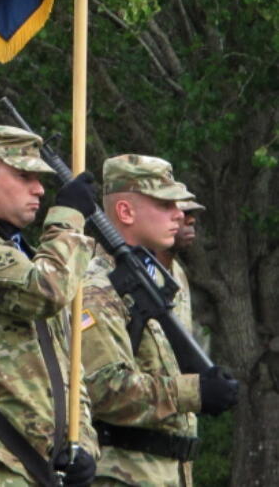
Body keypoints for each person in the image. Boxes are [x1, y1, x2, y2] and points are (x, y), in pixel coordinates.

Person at [81, 155, 238, 486]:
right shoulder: (97, 285)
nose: (179, 213)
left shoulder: (164, 277)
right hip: (121, 474)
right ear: (125, 212)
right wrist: (195, 392)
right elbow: (102, 390)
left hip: (170, 472)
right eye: (165, 203)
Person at [0, 125, 98, 487]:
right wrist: (67, 220)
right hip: (0, 462)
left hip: (47, 464)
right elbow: (46, 291)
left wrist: (83, 441)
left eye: (39, 178)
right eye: (24, 176)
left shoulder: (24, 252)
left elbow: (67, 362)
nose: (39, 189)